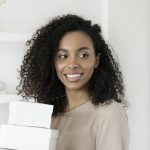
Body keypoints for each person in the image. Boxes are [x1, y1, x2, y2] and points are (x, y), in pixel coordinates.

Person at [17, 14, 130, 150]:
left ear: (97, 60)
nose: (72, 64)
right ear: (52, 62)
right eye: (63, 56)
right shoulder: (49, 115)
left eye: (83, 55)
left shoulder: (109, 113)